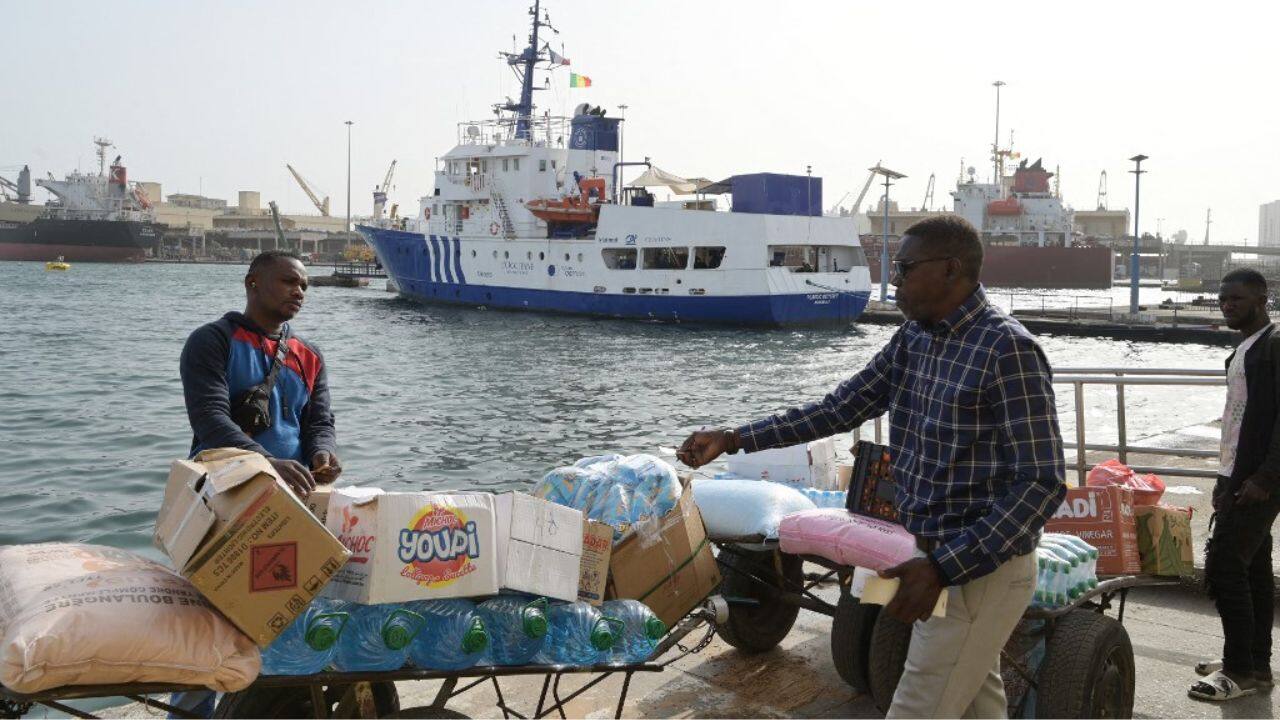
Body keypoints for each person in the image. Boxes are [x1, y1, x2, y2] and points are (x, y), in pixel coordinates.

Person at [679, 214, 1065, 718]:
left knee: (917, 704)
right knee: (975, 702)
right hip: (927, 556)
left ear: (950, 269)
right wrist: (734, 439)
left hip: (977, 570)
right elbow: (837, 409)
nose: (894, 280)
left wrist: (944, 568)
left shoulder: (1007, 350)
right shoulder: (914, 340)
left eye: (904, 268)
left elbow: (1041, 482)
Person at [180, 249, 342, 496]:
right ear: (252, 283)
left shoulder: (310, 355)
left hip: (294, 490)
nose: (299, 291)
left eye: (304, 286)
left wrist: (322, 452)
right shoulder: (213, 340)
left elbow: (319, 421)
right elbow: (209, 418)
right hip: (225, 488)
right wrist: (265, 462)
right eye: (289, 281)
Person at [1190, 268, 1280, 701]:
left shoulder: (1274, 346)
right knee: (1254, 569)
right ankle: (1255, 665)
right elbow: (1237, 422)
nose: (1227, 305)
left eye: (1237, 299)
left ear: (1261, 298)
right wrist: (1225, 477)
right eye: (1223, 299)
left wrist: (1265, 477)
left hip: (1262, 480)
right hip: (1240, 475)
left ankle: (1240, 669)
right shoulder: (1246, 349)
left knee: (1224, 566)